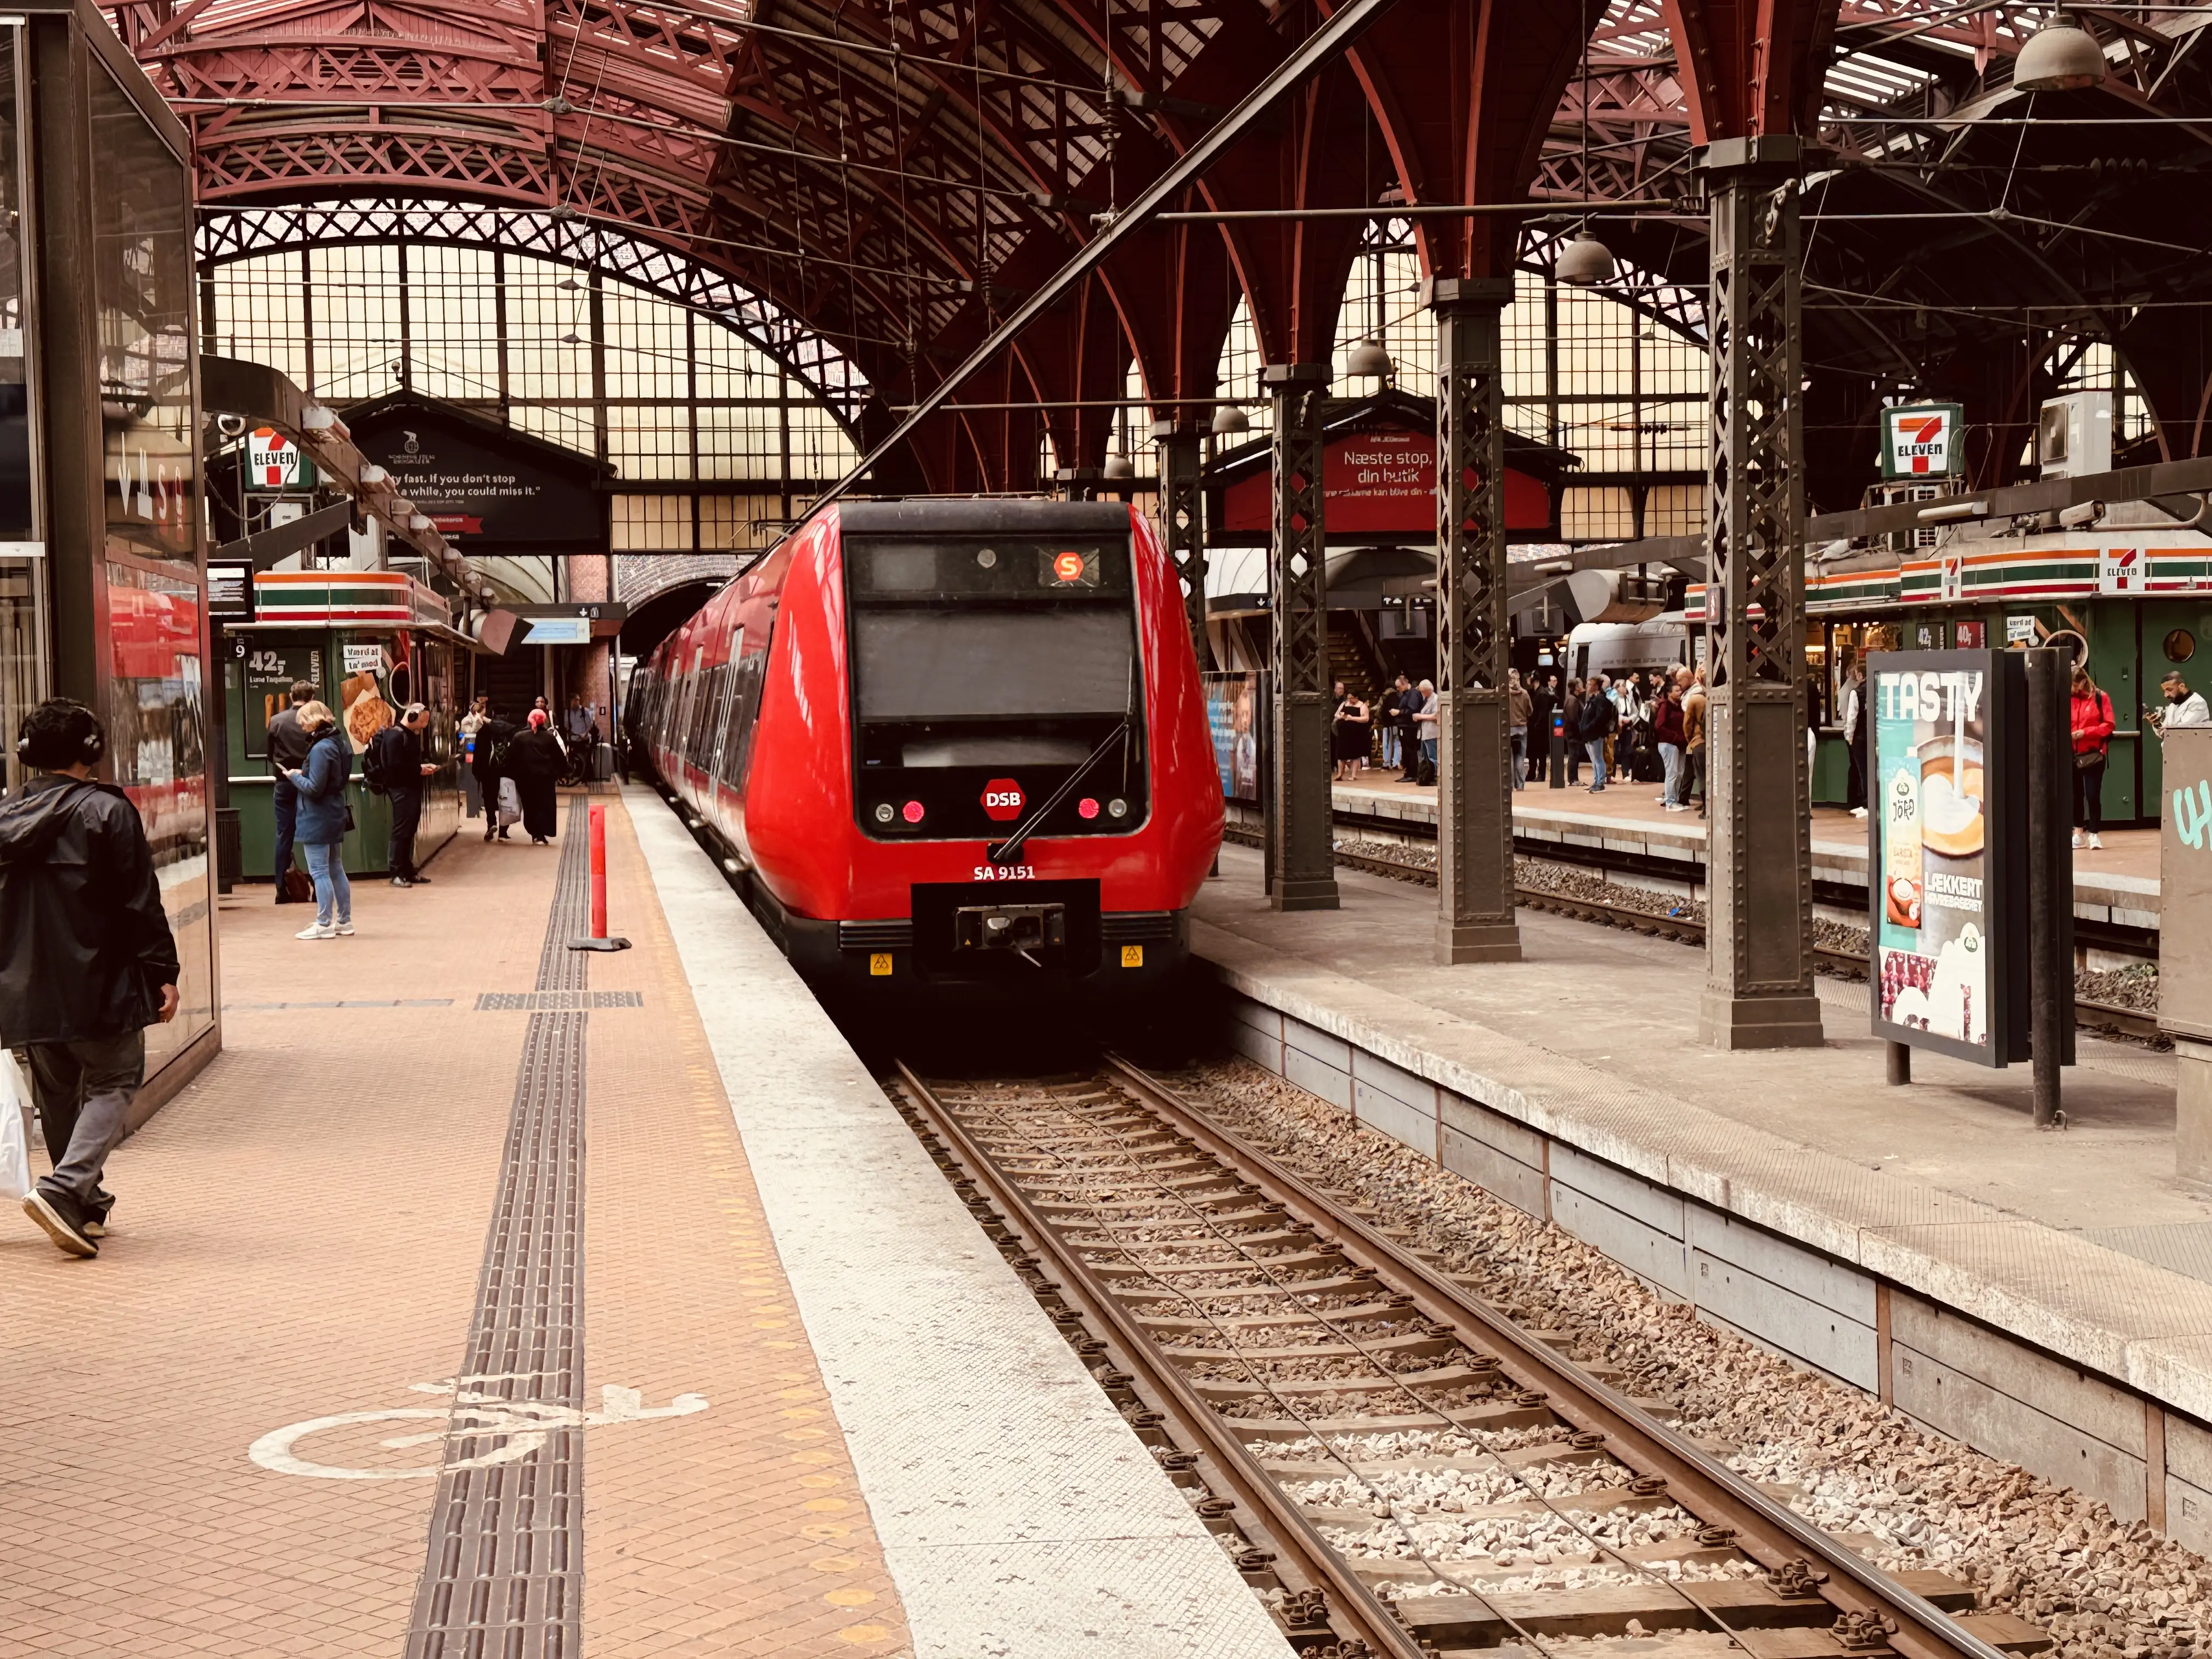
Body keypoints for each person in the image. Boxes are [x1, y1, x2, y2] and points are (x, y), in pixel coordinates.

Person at [0, 699, 181, 1257]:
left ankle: (84, 1203)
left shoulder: (6, 816)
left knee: (58, 1094)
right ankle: (64, 1189)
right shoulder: (107, 812)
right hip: (100, 980)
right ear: (92, 751)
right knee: (116, 1079)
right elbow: (139, 901)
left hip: (27, 985)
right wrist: (162, 972)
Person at [284, 702, 355, 939]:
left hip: (317, 816)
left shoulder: (320, 748)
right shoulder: (339, 743)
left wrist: (295, 777)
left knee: (319, 871)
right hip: (334, 812)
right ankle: (344, 920)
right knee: (336, 868)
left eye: (303, 722)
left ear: (312, 721)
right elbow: (332, 779)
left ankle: (324, 923)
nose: (302, 727)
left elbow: (315, 788)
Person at [369, 703, 439, 887]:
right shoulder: (395, 736)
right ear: (412, 716)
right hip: (400, 788)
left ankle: (408, 870)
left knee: (409, 829)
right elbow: (393, 767)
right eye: (422, 722)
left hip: (411, 787)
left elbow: (409, 762)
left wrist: (422, 766)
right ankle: (396, 872)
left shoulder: (409, 735)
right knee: (401, 831)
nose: (424, 726)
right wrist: (419, 770)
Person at [266, 679, 315, 902]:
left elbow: (270, 754)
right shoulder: (314, 723)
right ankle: (318, 886)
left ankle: (281, 889)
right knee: (315, 835)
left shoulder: (276, 721)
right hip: (310, 782)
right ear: (312, 698)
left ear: (291, 696)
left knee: (283, 835)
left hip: (284, 783)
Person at [2071, 664, 2115, 852]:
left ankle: (2094, 834)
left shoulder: (2100, 697)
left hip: (2093, 754)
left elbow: (2109, 725)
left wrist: (2086, 733)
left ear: (2082, 683)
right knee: (2075, 795)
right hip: (2071, 754)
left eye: (2074, 685)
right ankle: (2077, 832)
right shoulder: (2067, 698)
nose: (2071, 689)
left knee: (2092, 794)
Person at [507, 709, 567, 843]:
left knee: (530, 805)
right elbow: (559, 757)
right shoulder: (549, 738)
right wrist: (562, 773)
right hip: (545, 778)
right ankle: (542, 833)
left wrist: (512, 774)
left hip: (525, 778)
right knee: (545, 804)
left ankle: (535, 833)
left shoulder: (519, 737)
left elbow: (510, 757)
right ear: (544, 721)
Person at [473, 706, 518, 843]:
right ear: (507, 715)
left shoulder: (485, 730)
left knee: (489, 797)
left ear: (493, 714)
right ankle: (503, 832)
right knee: (507, 799)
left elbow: (478, 752)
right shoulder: (513, 730)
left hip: (488, 770)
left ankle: (491, 823)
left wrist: (477, 771)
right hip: (508, 771)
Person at [1653, 679, 1687, 810]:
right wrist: (1675, 737)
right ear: (1669, 693)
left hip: (1681, 745)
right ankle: (1670, 802)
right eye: (1677, 691)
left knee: (1679, 773)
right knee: (1672, 773)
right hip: (1669, 744)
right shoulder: (1665, 706)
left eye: (1680, 690)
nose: (1680, 692)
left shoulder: (1679, 707)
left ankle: (1675, 800)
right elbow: (1659, 726)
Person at [1581, 673, 1617, 791]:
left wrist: (1589, 727)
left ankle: (1600, 783)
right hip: (1588, 734)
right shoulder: (1592, 699)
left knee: (1598, 759)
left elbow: (1600, 718)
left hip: (1595, 734)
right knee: (1594, 760)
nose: (1587, 687)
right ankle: (1596, 781)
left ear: (1596, 686)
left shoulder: (1601, 700)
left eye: (1589, 684)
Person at [1842, 662, 1869, 818]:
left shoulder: (1856, 693)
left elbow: (1852, 718)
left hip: (1859, 737)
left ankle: (1865, 803)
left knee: (1862, 771)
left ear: (1859, 675)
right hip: (1874, 736)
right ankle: (1869, 803)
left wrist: (1849, 737)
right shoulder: (1878, 689)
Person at [1681, 667, 1708, 819]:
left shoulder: (1696, 699)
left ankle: (1706, 809)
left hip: (1700, 741)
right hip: (1717, 742)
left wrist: (1691, 740)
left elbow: (1687, 724)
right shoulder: (1721, 696)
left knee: (1702, 776)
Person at [458, 695, 490, 820]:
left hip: (481, 749)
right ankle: (472, 810)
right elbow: (465, 733)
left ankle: (481, 803)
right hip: (470, 749)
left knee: (482, 777)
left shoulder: (481, 719)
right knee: (471, 779)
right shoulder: (466, 720)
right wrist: (478, 721)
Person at [1331, 682, 1370, 782]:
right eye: (1349, 698)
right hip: (1343, 733)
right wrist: (1341, 716)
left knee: (1355, 754)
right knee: (1341, 754)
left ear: (1356, 698)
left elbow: (1366, 718)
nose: (1350, 700)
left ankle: (1354, 775)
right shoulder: (1344, 704)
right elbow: (1336, 714)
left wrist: (1352, 718)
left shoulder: (1362, 705)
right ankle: (1340, 774)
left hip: (1356, 733)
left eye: (1351, 698)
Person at [2151, 670, 2210, 734]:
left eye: (2169, 690)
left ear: (2182, 686)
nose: (2166, 695)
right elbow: (2164, 734)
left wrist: (2165, 730)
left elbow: (2182, 730)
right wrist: (2156, 723)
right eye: (2165, 691)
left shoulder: (2198, 703)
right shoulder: (2172, 706)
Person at [1508, 668, 1532, 791]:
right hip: (1522, 728)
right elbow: (1530, 711)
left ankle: (1511, 785)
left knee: (1509, 757)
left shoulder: (1505, 693)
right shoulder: (1525, 693)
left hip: (1509, 728)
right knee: (1520, 757)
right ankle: (1521, 785)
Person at [1527, 673, 1554, 783]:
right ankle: (1532, 773)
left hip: (1540, 728)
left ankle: (1541, 774)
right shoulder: (1536, 693)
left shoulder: (1542, 694)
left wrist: (1537, 724)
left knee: (1541, 753)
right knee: (1533, 752)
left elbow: (1543, 713)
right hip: (1534, 727)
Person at [1380, 674, 1410, 770]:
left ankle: (1388, 762)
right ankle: (1395, 762)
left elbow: (1383, 710)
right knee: (1396, 743)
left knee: (1389, 744)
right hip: (1395, 723)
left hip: (1392, 723)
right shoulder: (1404, 697)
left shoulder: (1390, 697)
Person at [1414, 679, 1440, 783]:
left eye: (1422, 691)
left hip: (1432, 733)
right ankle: (1428, 778)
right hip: (1424, 733)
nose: (1421, 693)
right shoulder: (1426, 700)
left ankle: (1438, 777)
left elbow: (1436, 716)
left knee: (1434, 757)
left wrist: (1420, 716)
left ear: (1427, 690)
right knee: (1425, 757)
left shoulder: (1436, 699)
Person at [1560, 679, 1584, 786]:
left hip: (1573, 732)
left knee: (1575, 755)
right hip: (1573, 733)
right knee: (1574, 756)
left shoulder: (1573, 698)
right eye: (1580, 685)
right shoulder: (1572, 700)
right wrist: (1580, 731)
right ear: (1576, 687)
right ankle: (1573, 779)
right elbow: (1573, 718)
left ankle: (1575, 779)